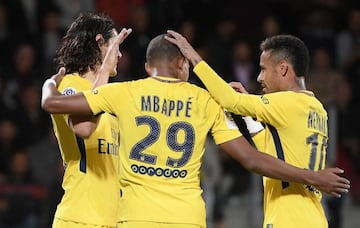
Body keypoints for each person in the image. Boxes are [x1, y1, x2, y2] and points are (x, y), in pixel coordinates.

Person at [41, 32, 349, 228]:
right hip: (187, 218)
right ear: (180, 65)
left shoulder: (125, 93)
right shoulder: (206, 101)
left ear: (150, 66)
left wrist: (50, 85)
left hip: (135, 217)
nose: (259, 77)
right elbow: (252, 158)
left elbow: (61, 110)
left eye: (263, 69)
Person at [165, 30, 342, 228]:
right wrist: (248, 112)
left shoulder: (288, 102)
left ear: (283, 69)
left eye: (264, 69)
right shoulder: (317, 108)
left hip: (289, 220)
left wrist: (194, 57)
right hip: (313, 218)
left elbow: (230, 100)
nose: (259, 77)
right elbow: (269, 147)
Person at [48, 12, 131, 228]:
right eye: (116, 47)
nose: (119, 55)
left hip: (113, 219)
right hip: (80, 218)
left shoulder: (111, 93)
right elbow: (84, 127)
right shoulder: (69, 85)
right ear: (99, 42)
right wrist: (104, 68)